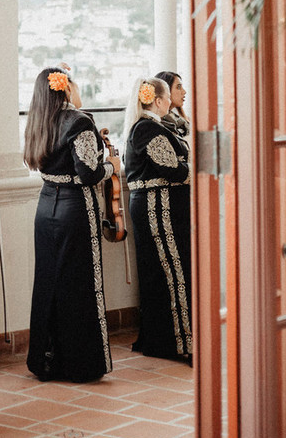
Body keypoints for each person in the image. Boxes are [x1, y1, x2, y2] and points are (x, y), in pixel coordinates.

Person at [24, 66, 120, 382]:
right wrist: (112, 166)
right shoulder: (79, 121)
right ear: (65, 88)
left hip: (45, 206)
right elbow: (88, 173)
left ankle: (46, 361)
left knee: (49, 282)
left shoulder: (38, 120)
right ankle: (80, 363)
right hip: (75, 210)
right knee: (80, 283)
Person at [123, 76, 192, 364]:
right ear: (159, 100)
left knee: (161, 272)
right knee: (171, 271)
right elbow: (172, 169)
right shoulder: (147, 129)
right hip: (157, 207)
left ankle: (161, 338)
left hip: (159, 206)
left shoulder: (152, 127)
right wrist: (193, 167)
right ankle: (178, 342)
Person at [155, 70, 190, 141]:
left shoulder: (179, 120)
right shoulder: (159, 124)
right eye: (178, 87)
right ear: (165, 90)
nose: (184, 91)